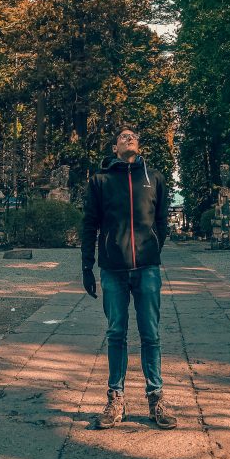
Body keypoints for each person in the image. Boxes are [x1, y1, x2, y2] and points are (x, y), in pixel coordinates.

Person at [81, 125, 177, 430]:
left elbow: (162, 222)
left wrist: (151, 249)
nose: (129, 137)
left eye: (134, 135)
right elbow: (89, 224)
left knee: (151, 335)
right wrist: (87, 266)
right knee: (116, 334)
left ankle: (156, 398)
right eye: (122, 136)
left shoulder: (155, 178)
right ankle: (116, 399)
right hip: (113, 269)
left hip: (147, 268)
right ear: (114, 148)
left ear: (140, 145)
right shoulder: (100, 181)